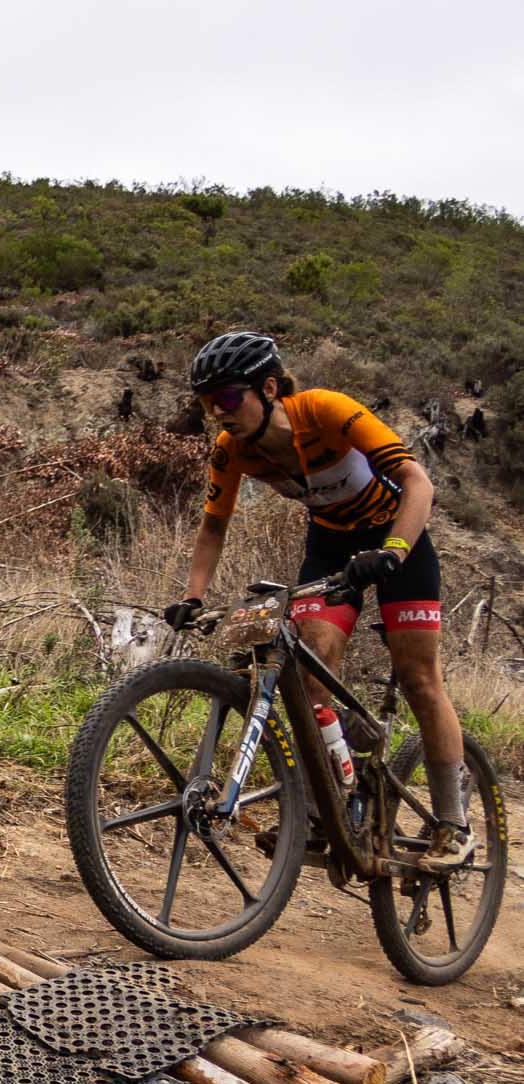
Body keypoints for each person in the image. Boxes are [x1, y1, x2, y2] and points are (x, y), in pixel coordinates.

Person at [165, 331, 471, 869]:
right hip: (331, 549)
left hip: (400, 540)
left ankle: (454, 823)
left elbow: (417, 482)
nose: (218, 412)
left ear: (269, 386)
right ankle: (325, 799)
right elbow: (214, 526)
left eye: (229, 398)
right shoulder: (231, 450)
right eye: (207, 402)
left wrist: (394, 549)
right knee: (309, 676)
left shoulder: (327, 411)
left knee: (421, 679)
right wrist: (193, 597)